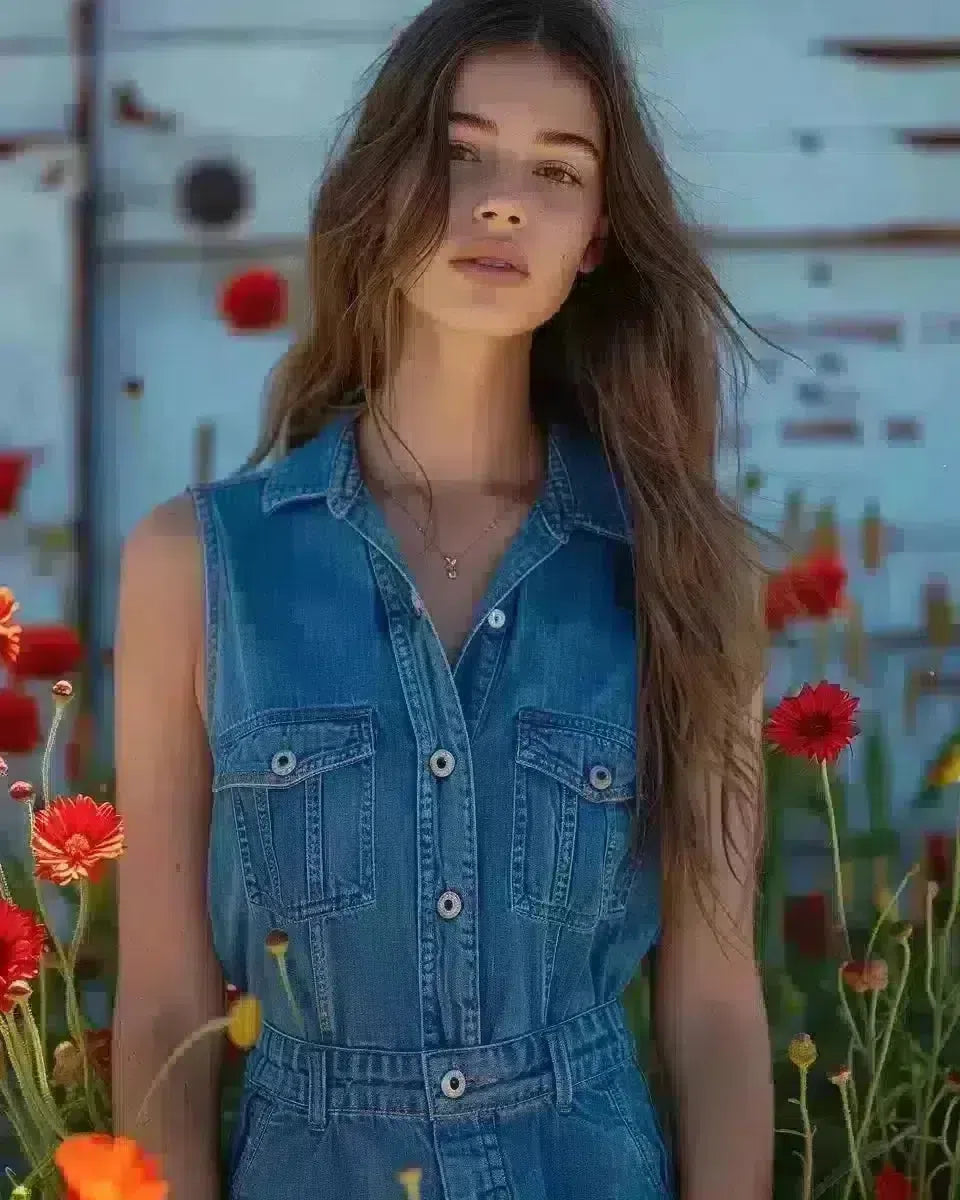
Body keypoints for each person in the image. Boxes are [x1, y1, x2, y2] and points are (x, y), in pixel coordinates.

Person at [112, 0, 774, 1196]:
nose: (505, 198)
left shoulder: (687, 573)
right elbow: (162, 1007)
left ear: (597, 237)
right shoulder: (192, 566)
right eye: (462, 152)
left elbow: (718, 1009)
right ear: (384, 185)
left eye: (556, 168)